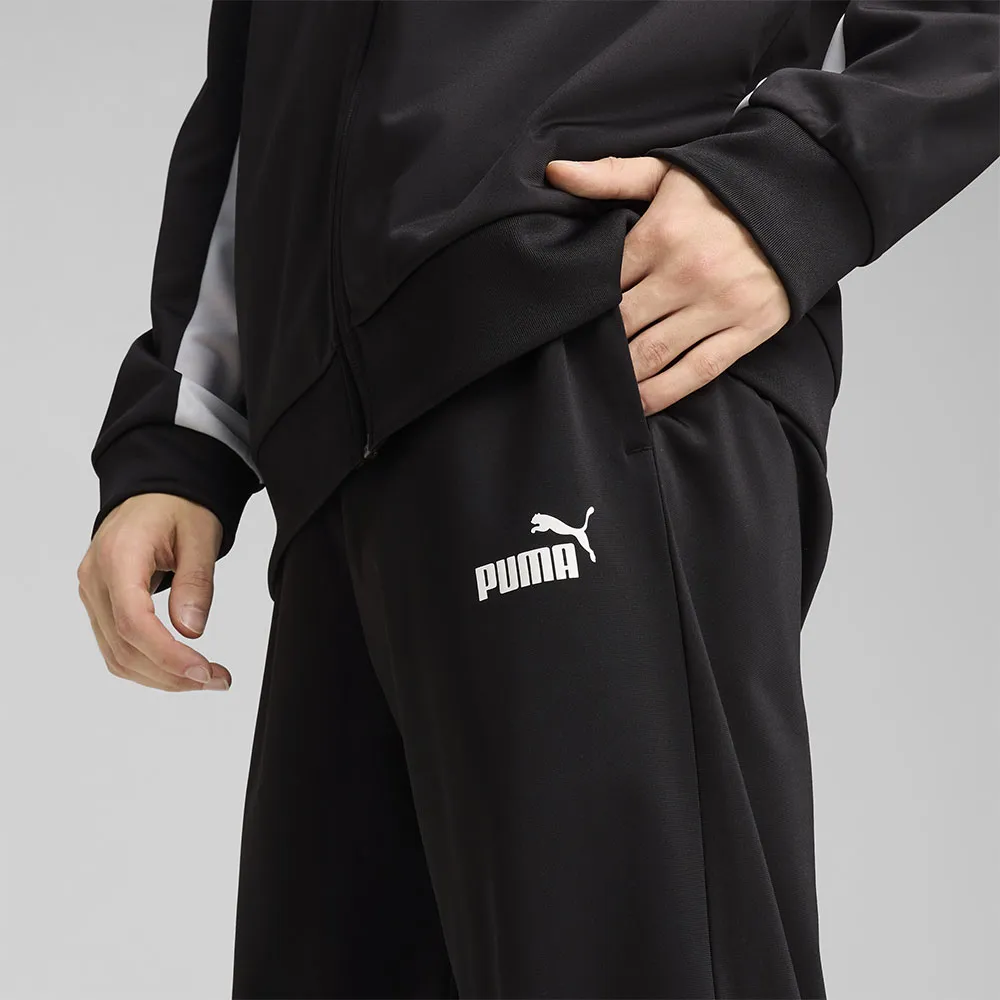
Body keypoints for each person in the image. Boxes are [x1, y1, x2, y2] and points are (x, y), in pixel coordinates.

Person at [76, 2, 999, 997]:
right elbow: (254, 95)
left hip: (592, 337)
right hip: (341, 447)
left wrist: (798, 177)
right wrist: (186, 430)